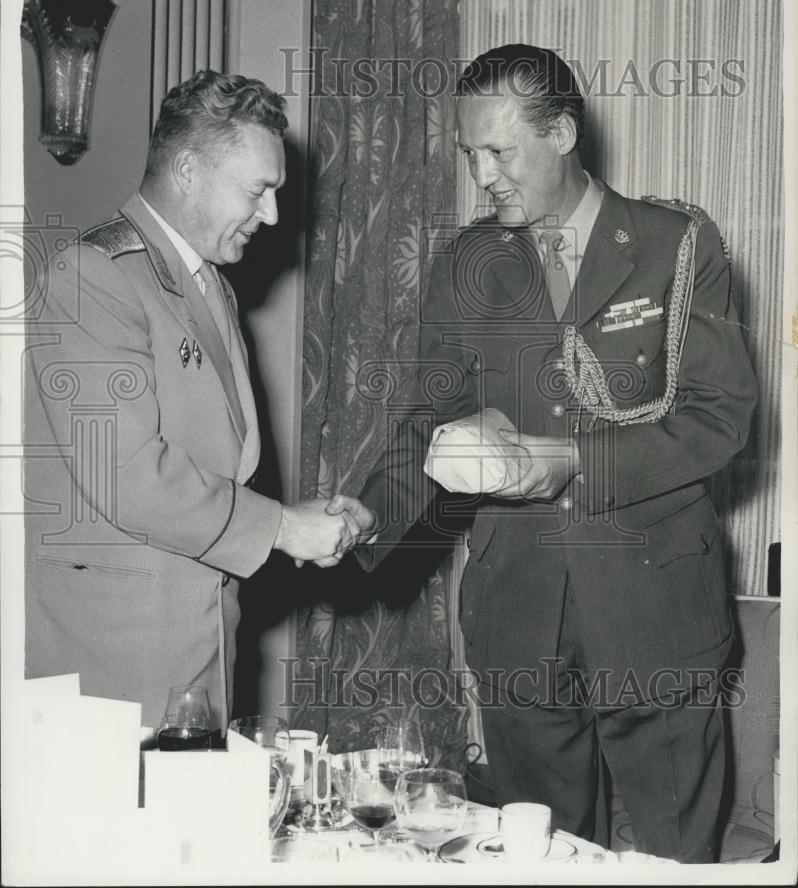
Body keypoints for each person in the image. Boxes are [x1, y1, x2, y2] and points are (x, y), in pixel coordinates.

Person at [352, 44, 757, 862]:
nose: (483, 175)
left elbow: (720, 417)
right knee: (537, 856)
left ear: (564, 132)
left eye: (500, 151)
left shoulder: (675, 245)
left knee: (677, 858)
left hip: (657, 613)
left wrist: (575, 461)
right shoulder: (468, 259)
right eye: (471, 154)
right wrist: (367, 513)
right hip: (519, 612)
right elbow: (433, 416)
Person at [24, 70, 374, 732]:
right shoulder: (90, 278)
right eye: (257, 191)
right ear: (186, 171)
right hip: (113, 662)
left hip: (198, 644)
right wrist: (280, 528)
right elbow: (127, 477)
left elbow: (215, 468)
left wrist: (292, 520)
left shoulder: (206, 284)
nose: (272, 216)